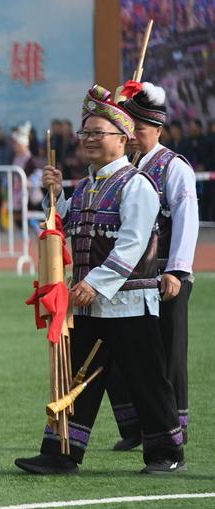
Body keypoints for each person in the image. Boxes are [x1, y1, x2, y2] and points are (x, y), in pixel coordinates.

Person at [14, 85, 185, 475]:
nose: (89, 139)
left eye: (97, 133)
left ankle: (166, 453)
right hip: (90, 302)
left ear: (123, 139)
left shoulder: (135, 185)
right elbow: (62, 224)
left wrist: (96, 283)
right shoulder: (88, 186)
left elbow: (132, 244)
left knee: (146, 379)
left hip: (128, 303)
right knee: (77, 378)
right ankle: (61, 453)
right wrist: (52, 196)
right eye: (85, 133)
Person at [104, 81, 199, 450]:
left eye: (140, 129)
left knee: (167, 355)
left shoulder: (174, 167)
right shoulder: (122, 169)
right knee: (125, 354)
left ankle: (174, 430)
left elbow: (187, 220)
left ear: (157, 130)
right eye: (129, 128)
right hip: (129, 278)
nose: (133, 136)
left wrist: (176, 271)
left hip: (163, 275)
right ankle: (137, 427)